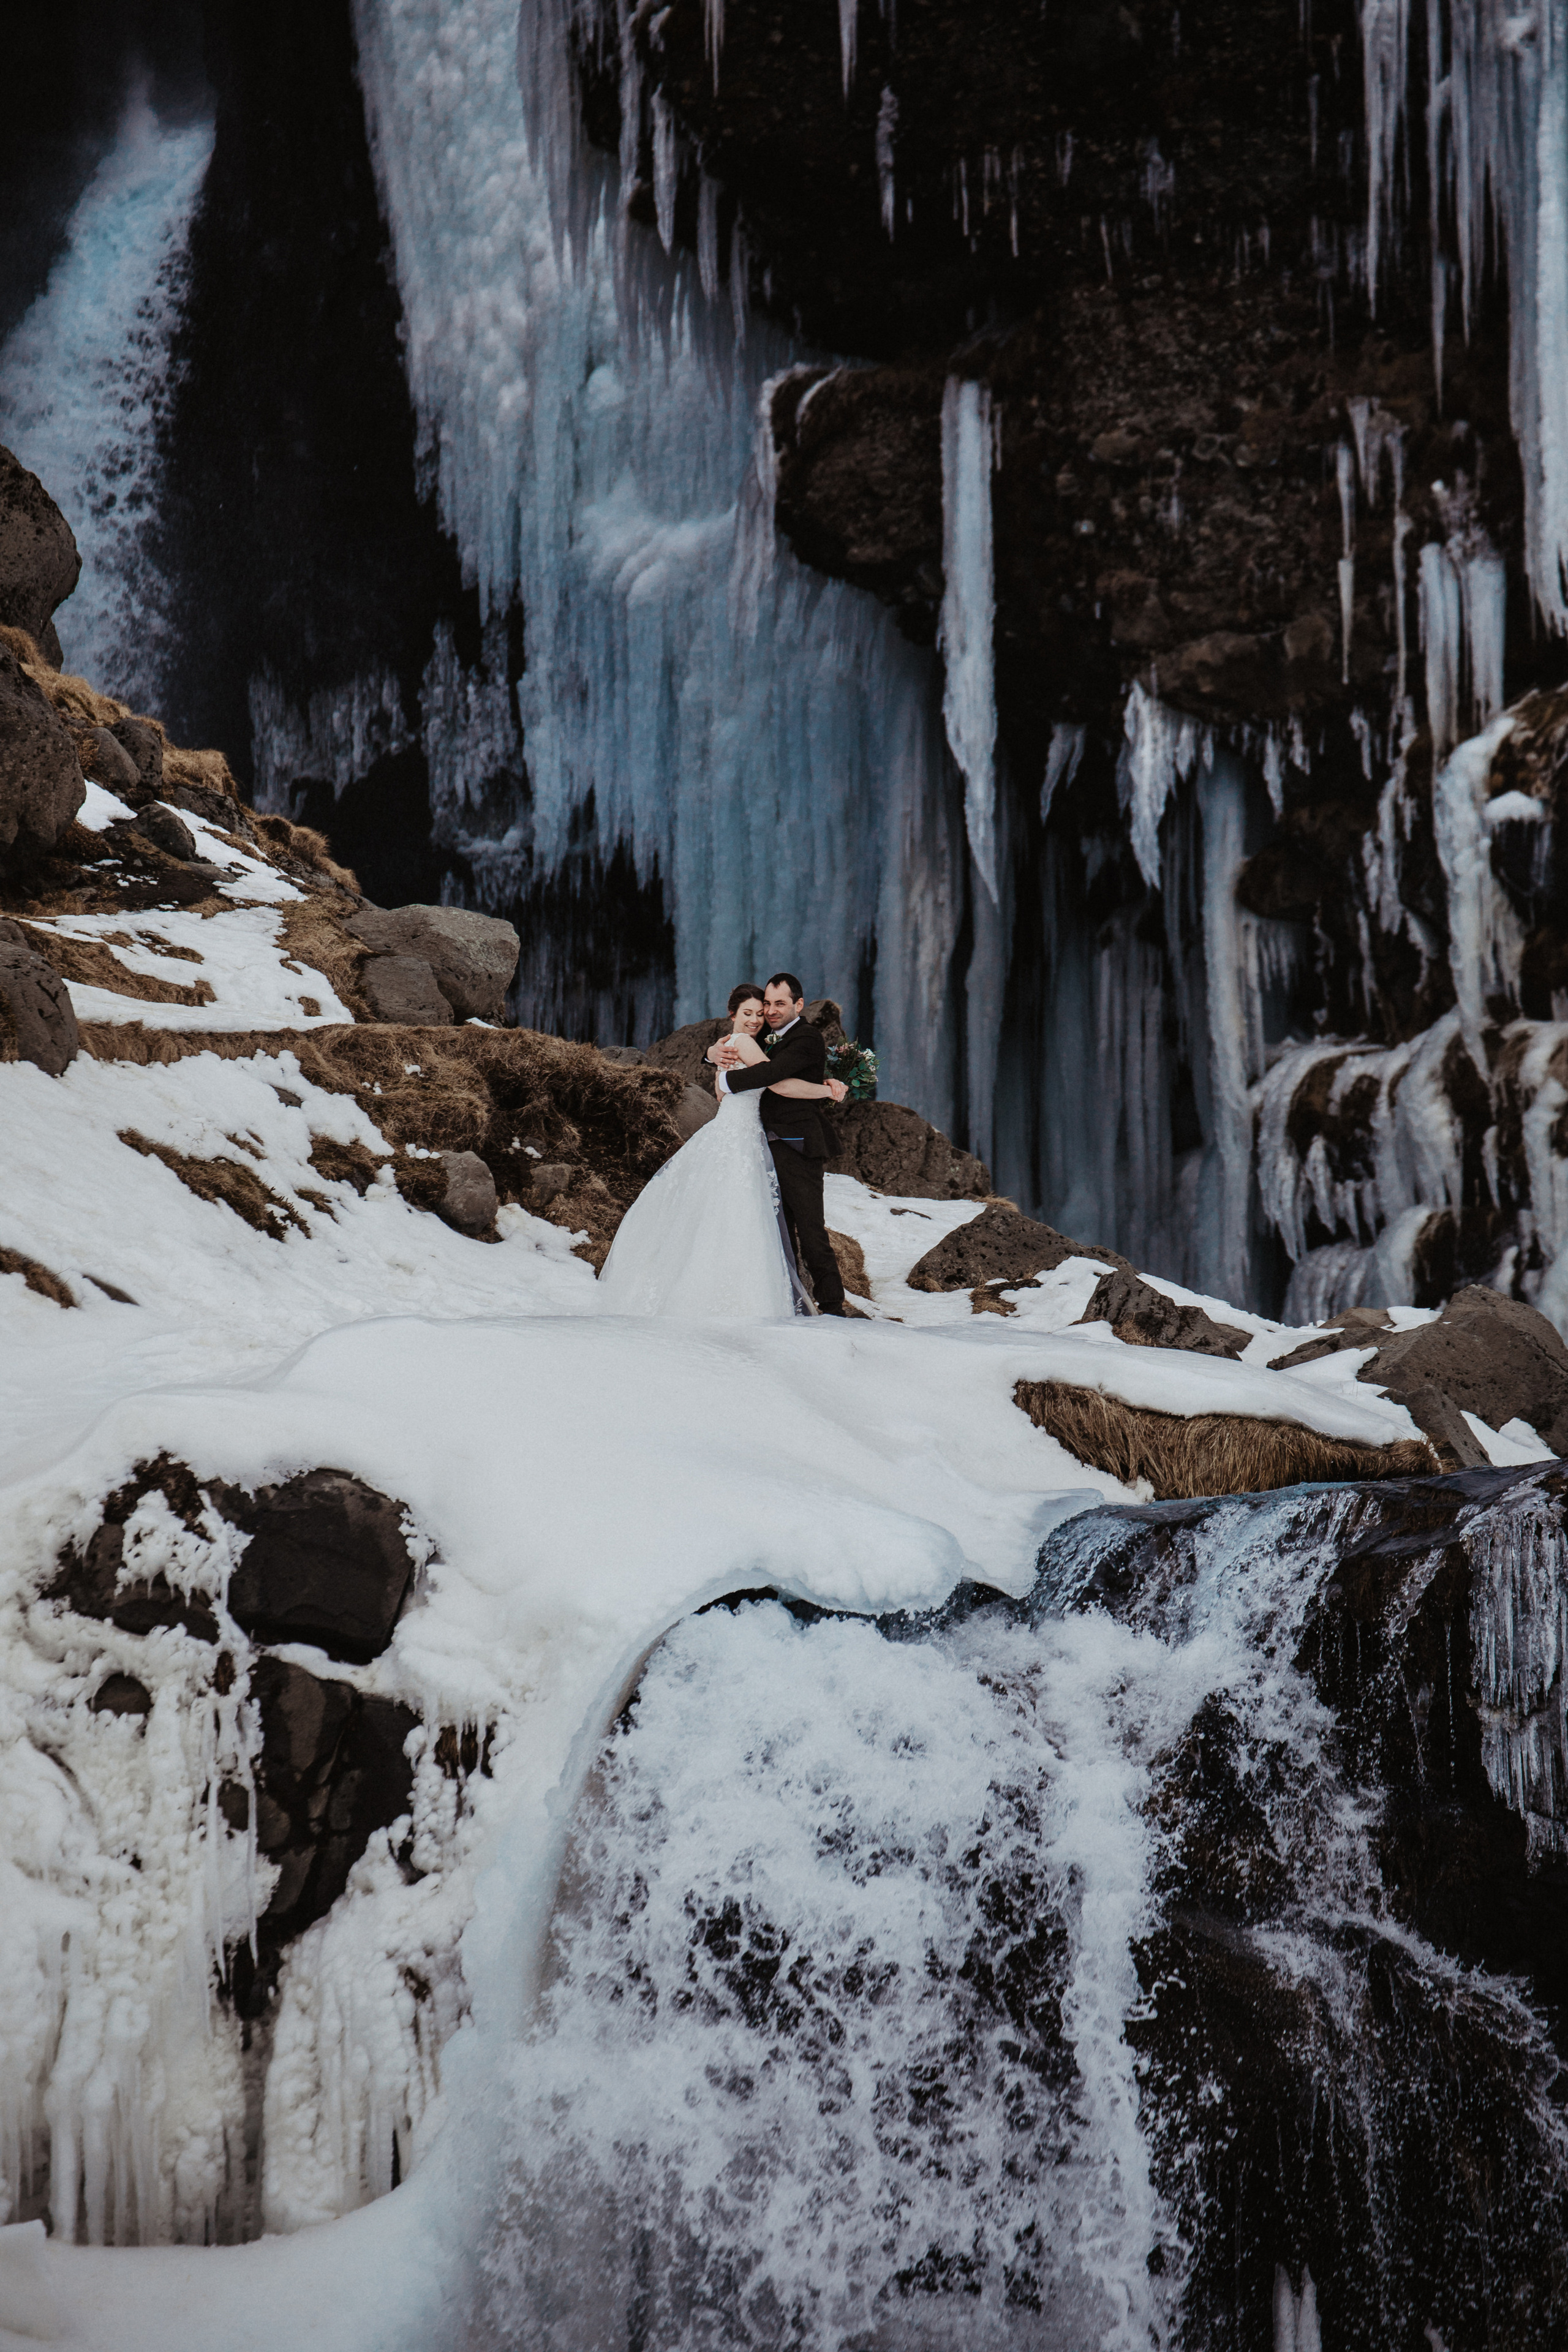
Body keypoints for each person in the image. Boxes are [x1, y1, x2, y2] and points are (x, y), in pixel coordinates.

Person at [595, 983, 847, 1318]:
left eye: (764, 1011)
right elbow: (777, 1083)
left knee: (737, 1216)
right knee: (746, 1217)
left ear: (796, 1005)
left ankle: (802, 1300)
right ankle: (760, 1299)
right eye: (750, 1013)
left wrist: (714, 1057)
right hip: (744, 1136)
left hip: (746, 1134)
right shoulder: (743, 1042)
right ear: (733, 1014)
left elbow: (732, 1081)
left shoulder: (742, 1042)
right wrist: (828, 1090)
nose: (759, 1018)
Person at [707, 972, 849, 1317]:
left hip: (798, 1143)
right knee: (774, 1229)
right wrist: (712, 1055)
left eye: (778, 1004)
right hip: (760, 1144)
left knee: (810, 1229)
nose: (768, 1012)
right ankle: (787, 1300)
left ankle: (832, 1306)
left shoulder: (807, 1037)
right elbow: (740, 1043)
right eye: (766, 1004)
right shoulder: (766, 1035)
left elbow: (775, 1079)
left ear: (799, 1005)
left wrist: (724, 1075)